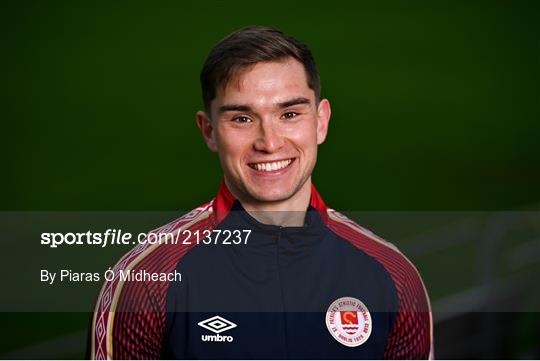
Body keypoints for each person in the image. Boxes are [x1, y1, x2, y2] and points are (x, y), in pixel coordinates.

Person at [89, 26, 433, 359]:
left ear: (322, 121)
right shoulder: (145, 282)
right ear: (208, 131)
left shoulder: (394, 278)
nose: (269, 143)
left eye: (290, 114)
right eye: (242, 119)